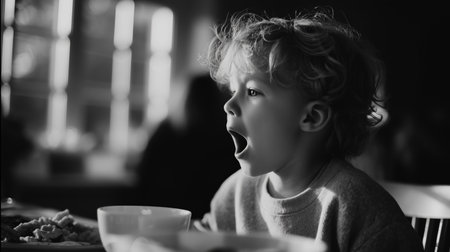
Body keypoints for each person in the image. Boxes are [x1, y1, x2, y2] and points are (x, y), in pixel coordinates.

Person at [195, 8, 424, 252]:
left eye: (253, 92)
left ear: (312, 116)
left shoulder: (357, 207)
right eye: (233, 91)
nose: (228, 105)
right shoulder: (235, 194)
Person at [134, 74, 239, 219]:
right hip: (205, 215)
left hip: (161, 211)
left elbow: (144, 173)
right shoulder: (225, 137)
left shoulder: (166, 130)